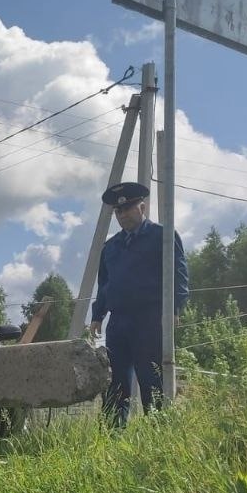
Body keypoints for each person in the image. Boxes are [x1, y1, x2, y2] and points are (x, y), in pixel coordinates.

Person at [88, 182, 189, 427]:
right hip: (119, 323)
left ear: (141, 207)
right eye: (118, 211)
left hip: (151, 319)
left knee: (151, 380)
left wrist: (174, 308)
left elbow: (179, 275)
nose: (123, 215)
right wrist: (97, 315)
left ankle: (158, 436)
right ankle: (112, 436)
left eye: (128, 209)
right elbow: (105, 284)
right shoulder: (110, 247)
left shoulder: (162, 237)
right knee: (116, 383)